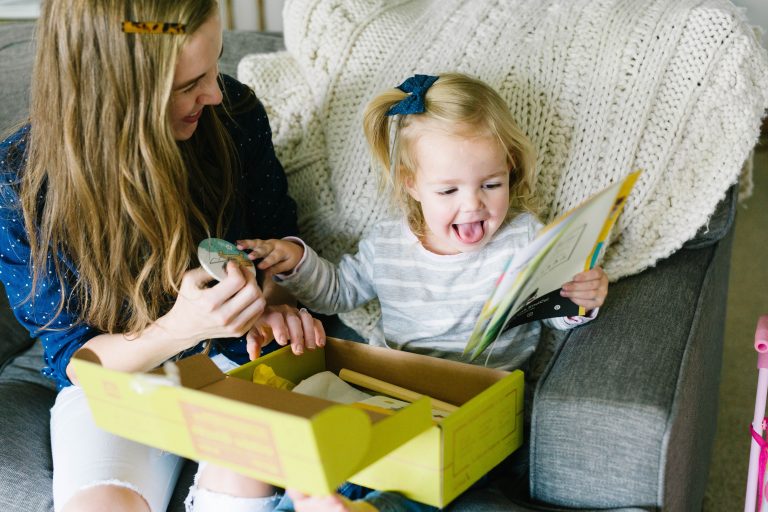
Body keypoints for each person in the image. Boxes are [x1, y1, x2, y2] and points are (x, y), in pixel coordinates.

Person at [0, 1, 324, 511]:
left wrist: (268, 305)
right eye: (186, 85)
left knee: (243, 477)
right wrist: (178, 328)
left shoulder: (232, 115)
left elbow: (277, 244)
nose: (213, 92)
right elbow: (75, 360)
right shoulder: (22, 182)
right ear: (112, 92)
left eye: (214, 66)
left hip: (233, 366)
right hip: (121, 379)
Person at [234, 73, 609, 511]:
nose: (473, 205)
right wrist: (297, 262)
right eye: (448, 190)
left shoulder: (522, 238)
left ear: (510, 167)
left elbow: (550, 309)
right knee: (352, 448)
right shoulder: (388, 244)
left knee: (428, 481)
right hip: (396, 396)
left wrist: (579, 296)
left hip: (479, 412)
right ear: (412, 183)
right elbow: (337, 293)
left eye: (491, 184)